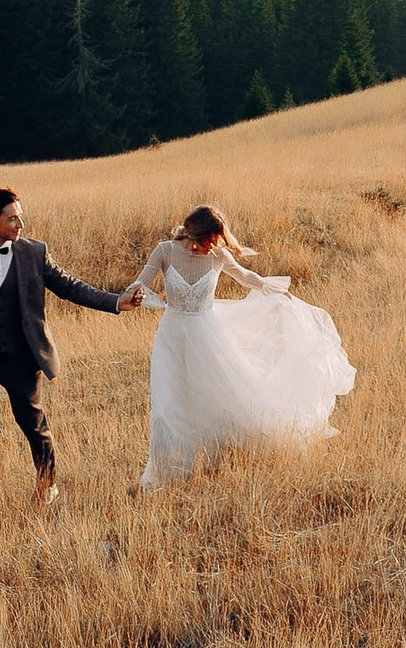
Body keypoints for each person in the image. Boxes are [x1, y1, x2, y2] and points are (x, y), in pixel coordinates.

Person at [120, 204, 354, 489]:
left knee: (214, 398)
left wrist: (278, 291)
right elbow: (140, 281)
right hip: (172, 337)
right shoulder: (165, 250)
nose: (213, 246)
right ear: (195, 233)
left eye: (217, 241)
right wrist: (130, 294)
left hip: (208, 336)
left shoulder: (219, 255)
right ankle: (165, 473)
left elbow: (246, 278)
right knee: (168, 404)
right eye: (209, 240)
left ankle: (213, 458)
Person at [0, 187, 136, 506]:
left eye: (21, 217)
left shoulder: (35, 252)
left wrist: (115, 302)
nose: (20, 225)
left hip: (22, 359)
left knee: (34, 426)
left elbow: (71, 288)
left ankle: (47, 486)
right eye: (12, 219)